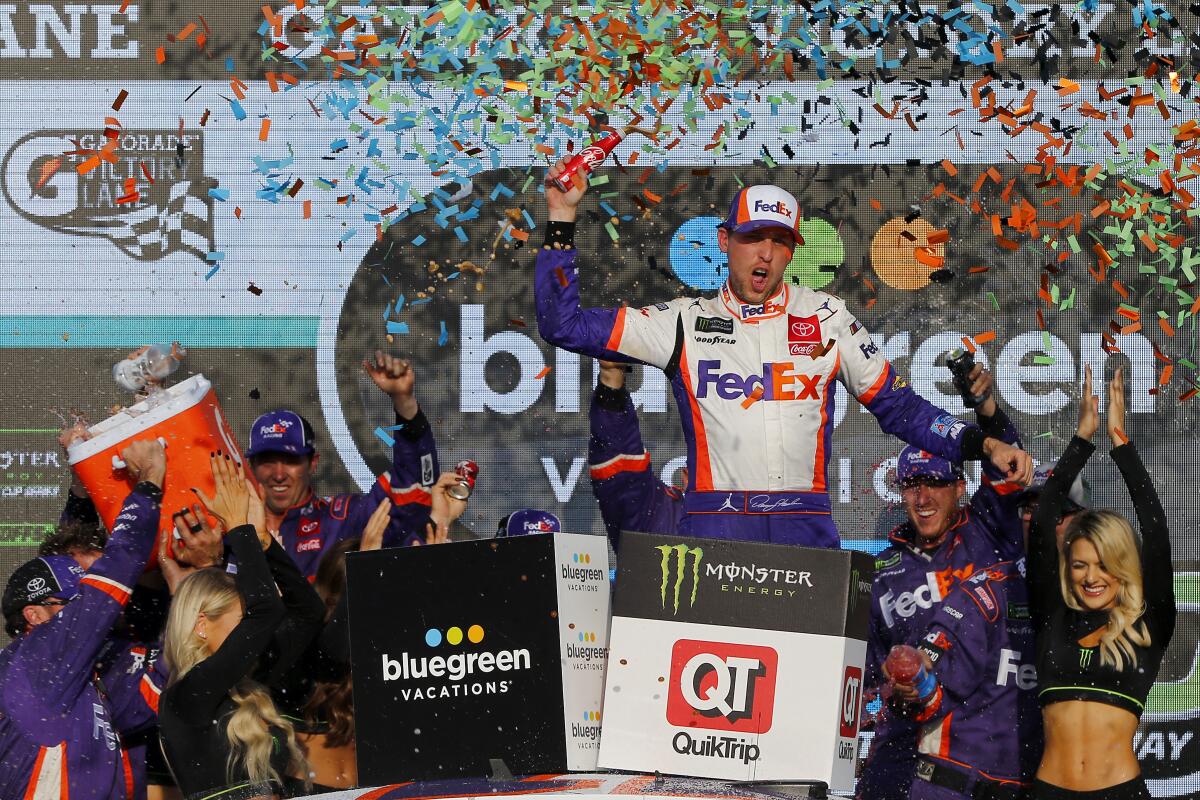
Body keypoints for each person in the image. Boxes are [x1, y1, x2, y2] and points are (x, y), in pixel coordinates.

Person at [536, 172, 1032, 546]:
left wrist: (982, 444)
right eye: (753, 238)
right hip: (716, 521)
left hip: (804, 519)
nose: (766, 254)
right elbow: (564, 325)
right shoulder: (682, 320)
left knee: (805, 679)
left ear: (792, 251)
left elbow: (901, 408)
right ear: (725, 241)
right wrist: (561, 216)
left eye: (780, 241)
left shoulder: (827, 316)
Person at [858, 365, 1025, 800]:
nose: (923, 497)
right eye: (912, 485)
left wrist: (986, 410)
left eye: (935, 483)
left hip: (986, 744)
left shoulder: (987, 529)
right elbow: (868, 673)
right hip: (906, 746)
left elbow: (1009, 464)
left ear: (959, 486)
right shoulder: (880, 573)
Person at [1027, 366, 1175, 800]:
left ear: (1122, 567)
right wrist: (1081, 439)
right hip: (1048, 791)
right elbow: (1042, 525)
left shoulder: (1148, 626)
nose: (1091, 577)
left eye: (1103, 564)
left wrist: (1119, 440)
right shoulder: (1051, 616)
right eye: (1079, 565)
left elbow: (1156, 532)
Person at [0, 439, 164, 799]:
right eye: (74, 603)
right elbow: (112, 573)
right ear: (33, 615)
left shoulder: (75, 679)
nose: (87, 612)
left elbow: (154, 698)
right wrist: (150, 482)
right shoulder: (39, 659)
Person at [158, 453, 325, 800]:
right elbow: (266, 612)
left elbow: (308, 612)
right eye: (242, 617)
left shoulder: (248, 682)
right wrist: (238, 530)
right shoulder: (188, 696)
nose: (254, 630)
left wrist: (264, 544)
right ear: (202, 624)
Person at [246, 350, 440, 576]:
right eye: (268, 461)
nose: (278, 474)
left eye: (290, 461)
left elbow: (414, 489)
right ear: (251, 466)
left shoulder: (342, 522)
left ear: (313, 463)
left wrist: (405, 403)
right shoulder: (232, 533)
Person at [899, 559, 1042, 798]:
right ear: (1026, 519)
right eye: (1054, 520)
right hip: (955, 786)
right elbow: (930, 688)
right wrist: (915, 683)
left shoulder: (1098, 595)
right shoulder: (986, 593)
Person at [588, 360, 682, 548]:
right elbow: (619, 456)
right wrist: (612, 379)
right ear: (687, 475)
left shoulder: (754, 509)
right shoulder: (662, 508)